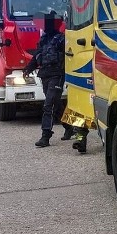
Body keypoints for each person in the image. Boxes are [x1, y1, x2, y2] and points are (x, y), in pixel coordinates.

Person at [24, 14, 71, 148]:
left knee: (49, 105)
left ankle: (46, 136)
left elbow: (69, 54)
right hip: (45, 74)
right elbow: (37, 55)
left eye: (49, 23)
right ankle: (68, 127)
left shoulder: (61, 39)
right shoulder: (44, 39)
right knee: (55, 104)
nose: (47, 26)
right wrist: (28, 69)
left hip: (57, 73)